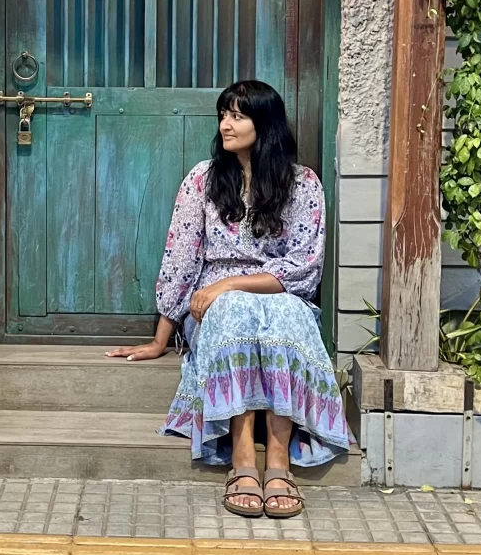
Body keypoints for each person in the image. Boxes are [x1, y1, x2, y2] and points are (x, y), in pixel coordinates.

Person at [107, 80, 349, 519]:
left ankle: (279, 460)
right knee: (235, 310)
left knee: (285, 315)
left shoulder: (303, 184)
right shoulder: (202, 179)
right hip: (217, 307)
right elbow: (181, 258)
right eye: (223, 115)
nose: (225, 125)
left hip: (279, 295)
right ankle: (242, 457)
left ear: (265, 124)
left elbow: (304, 266)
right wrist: (161, 338)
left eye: (237, 116)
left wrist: (232, 283)